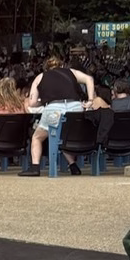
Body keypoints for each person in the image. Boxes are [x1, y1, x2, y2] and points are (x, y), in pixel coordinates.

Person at [26, 48, 95, 176]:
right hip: (75, 107)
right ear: (61, 65)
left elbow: (32, 103)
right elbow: (89, 79)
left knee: (37, 137)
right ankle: (72, 165)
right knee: (63, 135)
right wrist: (90, 100)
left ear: (46, 68)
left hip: (53, 109)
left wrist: (44, 101)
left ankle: (35, 167)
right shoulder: (71, 72)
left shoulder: (40, 77)